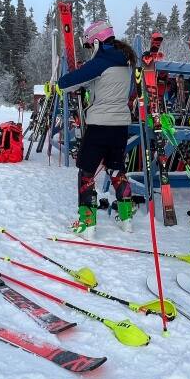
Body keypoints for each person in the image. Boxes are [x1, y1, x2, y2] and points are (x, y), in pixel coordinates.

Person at [57, 20, 137, 237]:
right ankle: (126, 218)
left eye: (90, 45)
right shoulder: (125, 60)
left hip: (100, 124)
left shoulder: (101, 61)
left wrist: (62, 82)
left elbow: (65, 83)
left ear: (97, 41)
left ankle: (87, 223)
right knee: (116, 170)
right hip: (120, 125)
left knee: (86, 171)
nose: (90, 50)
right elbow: (106, 85)